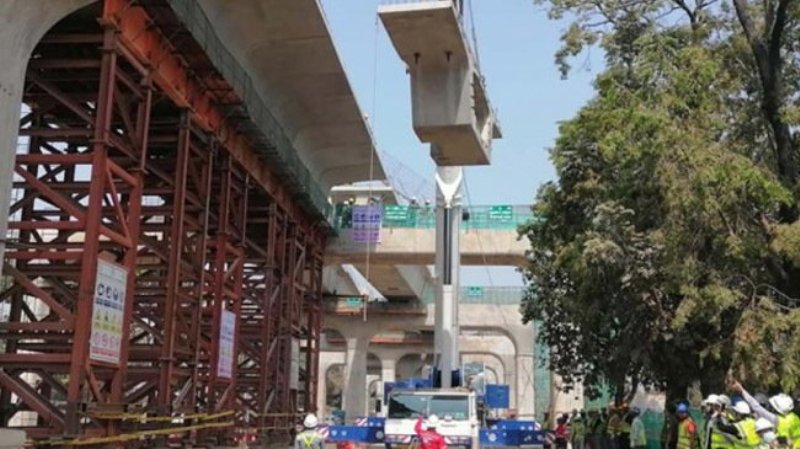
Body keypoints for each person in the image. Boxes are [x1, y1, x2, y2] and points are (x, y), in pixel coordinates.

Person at [731, 381, 800, 449]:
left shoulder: (777, 420)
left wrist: (742, 390)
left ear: (777, 409)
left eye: (772, 407)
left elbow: (756, 407)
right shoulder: (794, 417)